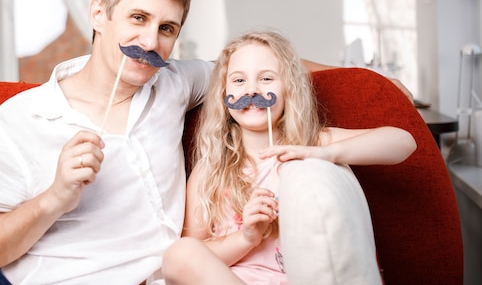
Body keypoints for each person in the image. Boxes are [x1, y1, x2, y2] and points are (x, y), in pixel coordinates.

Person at [0, 0, 414, 285]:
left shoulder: (174, 81)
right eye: (137, 18)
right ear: (98, 14)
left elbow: (249, 66)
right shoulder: (18, 119)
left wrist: (363, 78)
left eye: (167, 28)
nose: (150, 42)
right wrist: (54, 197)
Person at [161, 30, 416, 285]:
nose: (252, 90)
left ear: (288, 89)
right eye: (239, 80)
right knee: (178, 253)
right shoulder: (212, 168)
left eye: (267, 78)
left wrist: (324, 153)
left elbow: (403, 142)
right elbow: (194, 252)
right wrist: (247, 237)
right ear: (223, 94)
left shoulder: (310, 143)